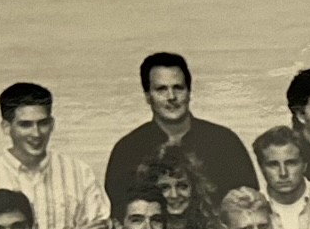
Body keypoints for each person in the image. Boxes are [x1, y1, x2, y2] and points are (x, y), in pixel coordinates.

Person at [0, 81, 110, 229]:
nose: (36, 134)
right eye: (25, 125)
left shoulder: (80, 173)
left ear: (52, 124)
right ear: (6, 127)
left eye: (42, 123)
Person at [103, 51, 257, 210]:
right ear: (148, 96)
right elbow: (120, 216)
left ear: (189, 92)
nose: (171, 97)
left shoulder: (224, 142)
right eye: (161, 89)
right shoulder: (127, 150)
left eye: (178, 88)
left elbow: (249, 206)